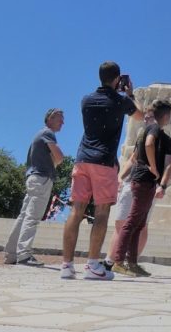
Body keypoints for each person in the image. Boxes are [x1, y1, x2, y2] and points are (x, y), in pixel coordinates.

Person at [60, 62, 142, 280]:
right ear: (117, 79)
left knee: (76, 212)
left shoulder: (86, 100)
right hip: (104, 162)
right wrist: (129, 93)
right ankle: (93, 264)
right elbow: (140, 116)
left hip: (82, 159)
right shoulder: (121, 101)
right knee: (102, 212)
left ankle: (66, 265)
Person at [111, 100, 171, 277]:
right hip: (144, 180)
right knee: (133, 221)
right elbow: (149, 144)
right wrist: (154, 167)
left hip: (142, 180)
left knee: (138, 223)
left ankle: (132, 262)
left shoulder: (148, 131)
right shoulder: (154, 128)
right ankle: (118, 261)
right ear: (165, 116)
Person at [4, 108, 65, 266]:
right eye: (60, 119)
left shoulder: (39, 134)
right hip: (42, 178)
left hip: (33, 177)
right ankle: (24, 255)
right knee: (32, 217)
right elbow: (60, 157)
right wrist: (55, 163)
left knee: (23, 216)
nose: (63, 122)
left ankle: (11, 254)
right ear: (50, 118)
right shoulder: (48, 133)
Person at [107, 109, 156, 265]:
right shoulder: (142, 135)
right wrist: (120, 177)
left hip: (146, 183)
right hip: (131, 181)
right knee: (120, 222)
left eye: (149, 118)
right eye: (145, 117)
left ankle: (130, 262)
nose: (145, 120)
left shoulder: (159, 136)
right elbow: (133, 158)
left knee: (141, 224)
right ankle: (110, 260)